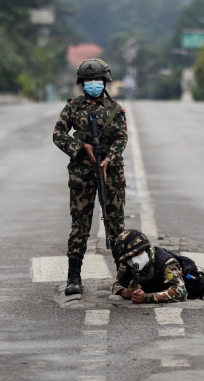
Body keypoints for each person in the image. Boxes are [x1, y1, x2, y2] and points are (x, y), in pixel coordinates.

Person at [53, 59, 128, 296]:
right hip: (82, 173)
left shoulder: (115, 109)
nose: (93, 84)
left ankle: (123, 277)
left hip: (111, 173)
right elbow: (58, 134)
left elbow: (121, 138)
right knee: (80, 226)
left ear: (105, 82)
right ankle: (74, 277)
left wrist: (109, 160)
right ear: (81, 83)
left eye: (97, 80)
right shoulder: (73, 107)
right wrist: (81, 146)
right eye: (88, 81)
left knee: (115, 225)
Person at [111, 230, 204, 304]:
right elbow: (117, 283)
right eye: (129, 257)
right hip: (160, 287)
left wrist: (147, 297)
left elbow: (180, 292)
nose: (133, 259)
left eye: (136, 254)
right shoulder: (127, 264)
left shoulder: (166, 263)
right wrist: (124, 292)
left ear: (145, 249)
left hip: (191, 279)